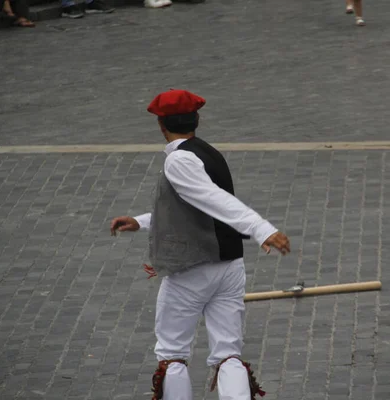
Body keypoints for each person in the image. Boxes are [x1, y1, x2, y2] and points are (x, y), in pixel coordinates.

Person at [110, 89, 291, 400]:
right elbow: (191, 208)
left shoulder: (179, 161)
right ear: (197, 119)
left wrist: (262, 228)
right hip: (230, 268)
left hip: (191, 272)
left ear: (161, 125)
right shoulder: (208, 152)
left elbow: (214, 200)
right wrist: (142, 221)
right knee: (228, 352)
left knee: (172, 354)